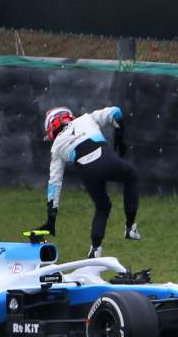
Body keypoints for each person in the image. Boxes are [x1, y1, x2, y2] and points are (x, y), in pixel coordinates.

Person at [37, 105, 141, 258]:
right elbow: (116, 112)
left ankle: (95, 248)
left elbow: (55, 183)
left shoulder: (56, 147)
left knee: (102, 206)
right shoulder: (87, 118)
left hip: (88, 172)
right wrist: (120, 135)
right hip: (106, 160)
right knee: (131, 177)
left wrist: (51, 218)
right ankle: (130, 228)